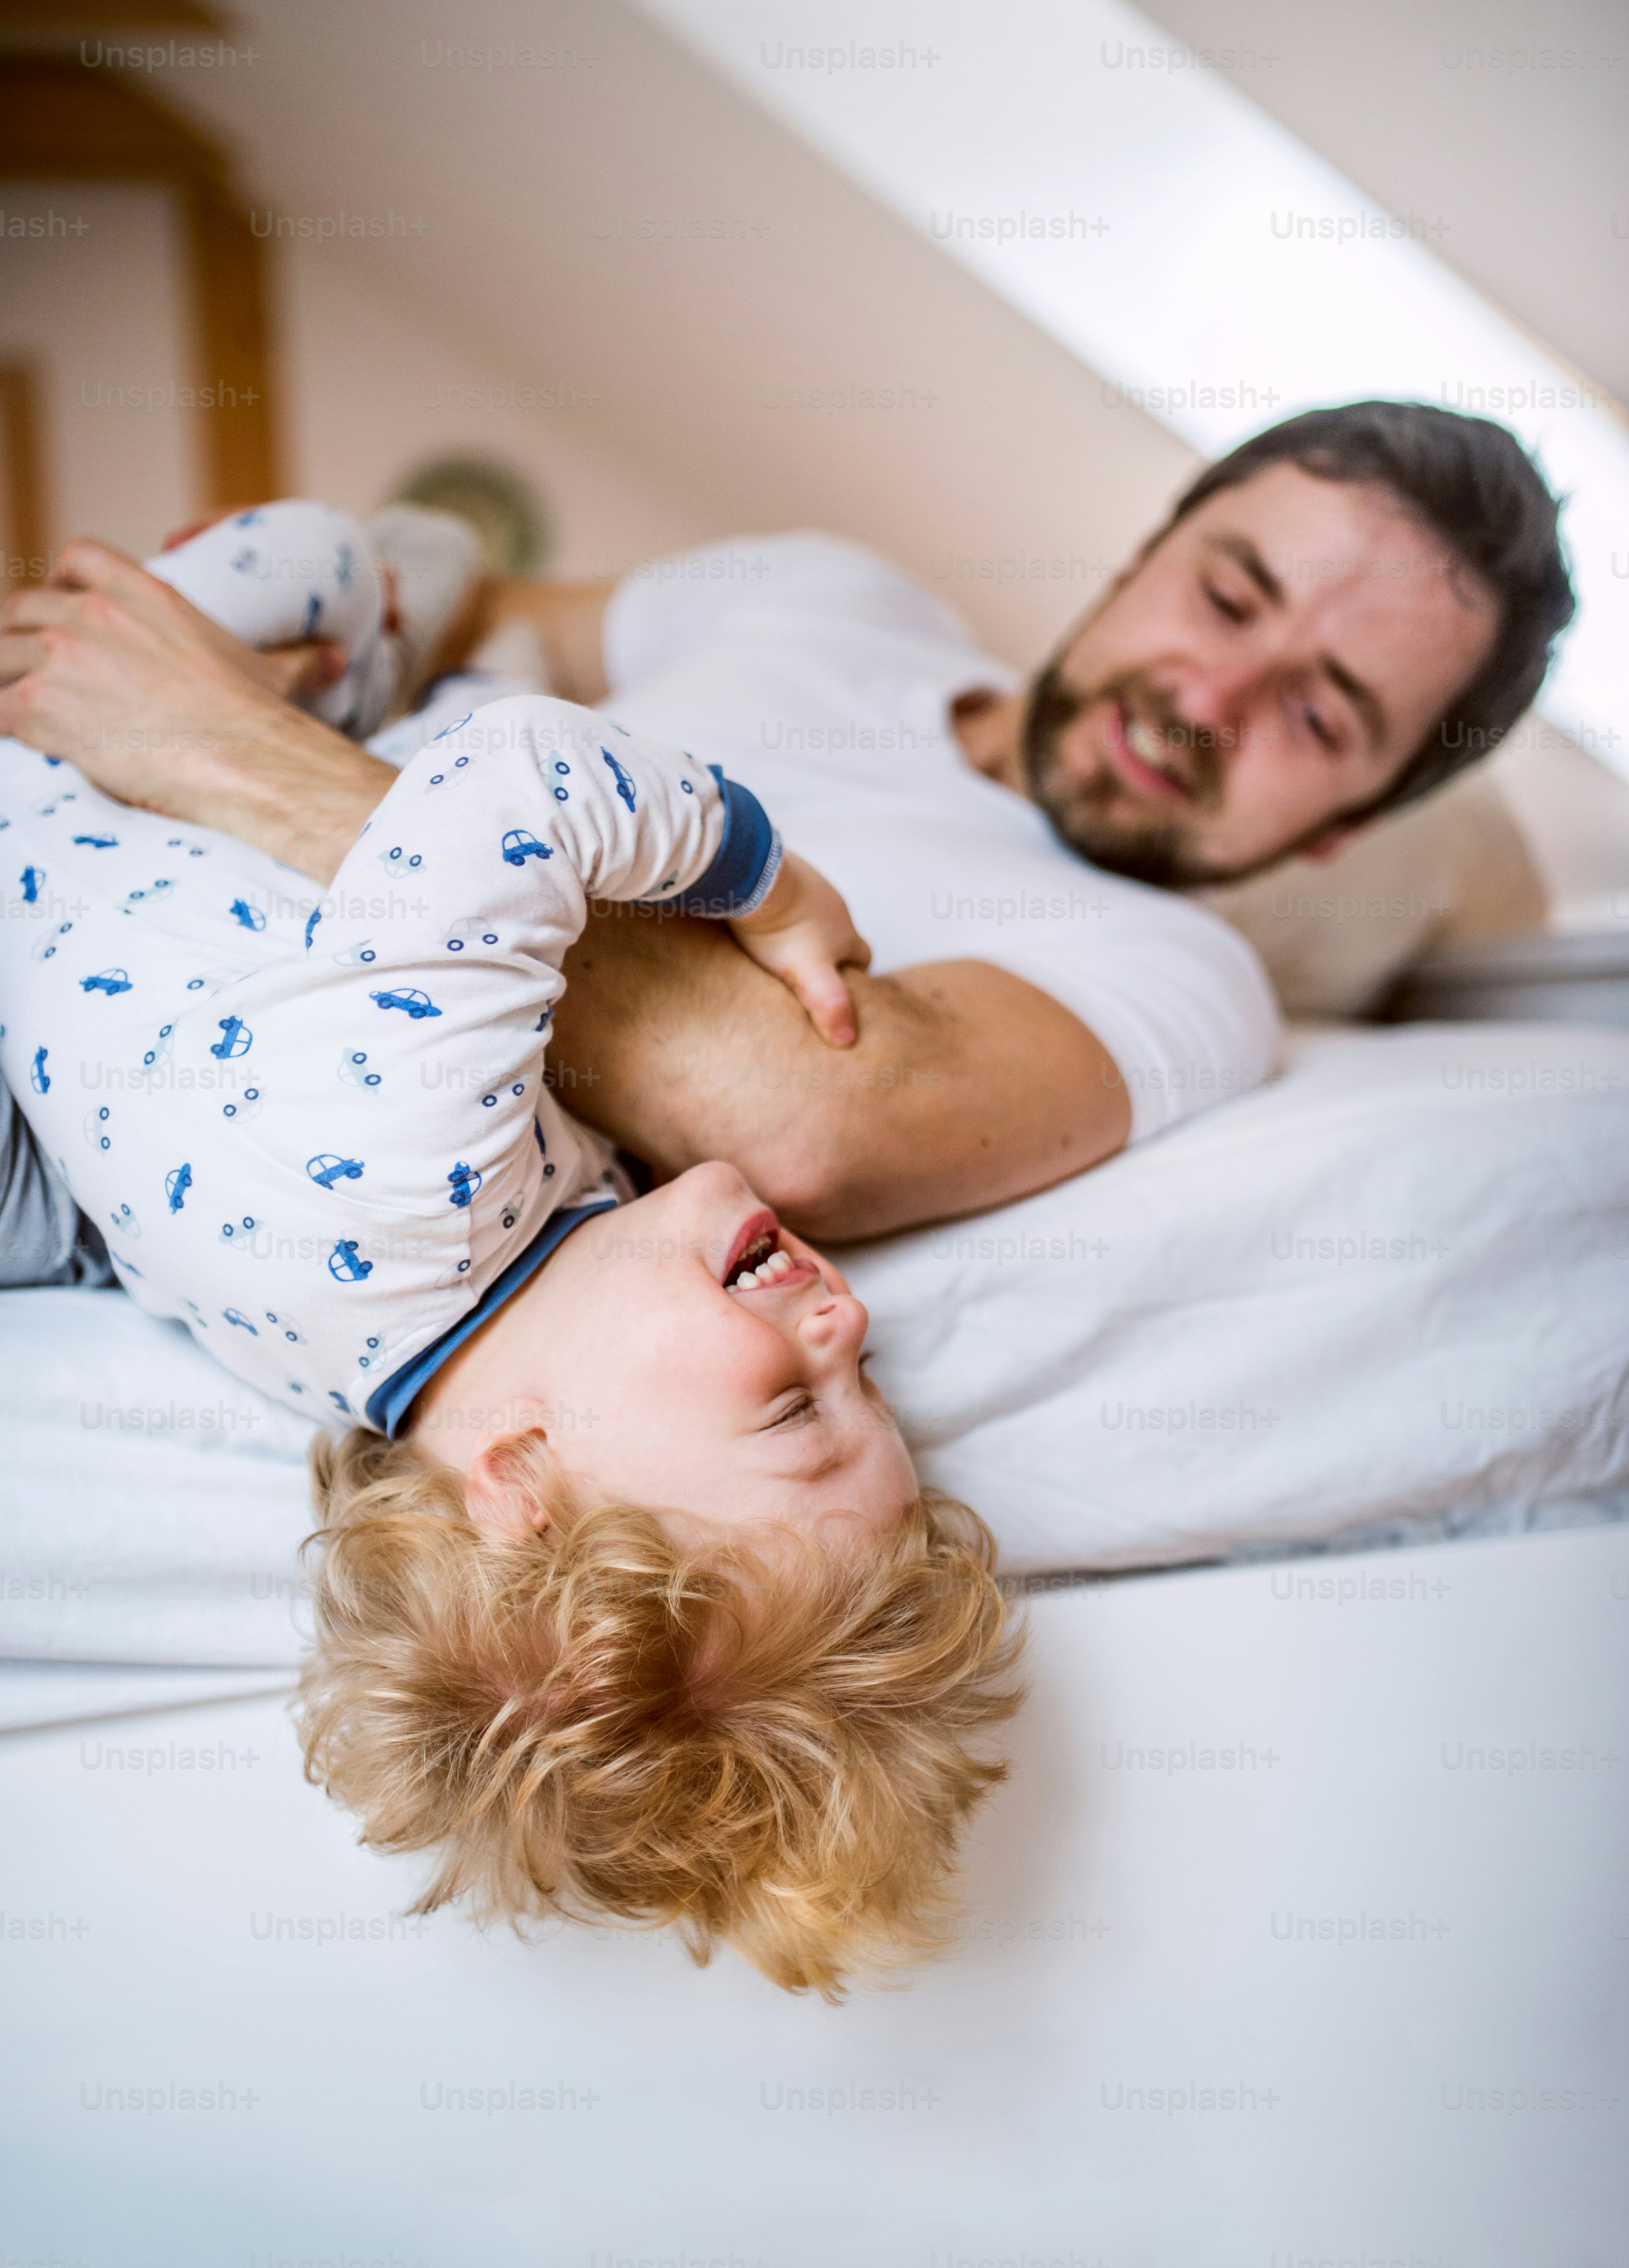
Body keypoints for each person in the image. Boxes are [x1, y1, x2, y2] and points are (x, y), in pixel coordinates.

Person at [0, 500, 1022, 1999]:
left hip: (60, 790)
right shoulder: (376, 1361)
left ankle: (423, 564)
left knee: (330, 572)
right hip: (128, 941)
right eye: (873, 1396)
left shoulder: (422, 1179)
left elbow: (523, 780)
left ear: (522, 1480)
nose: (852, 1334)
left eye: (796, 1408)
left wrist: (763, 877)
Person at [0, 401, 1573, 1250]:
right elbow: (469, 596)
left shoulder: (1176, 982)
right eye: (1229, 593)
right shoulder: (833, 597)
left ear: (1339, 830)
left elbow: (795, 1121)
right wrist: (322, 626)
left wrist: (224, 744)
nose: (1210, 695)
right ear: (1143, 553)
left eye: (1319, 715)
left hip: (164, 1066)